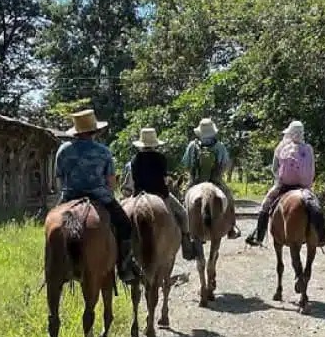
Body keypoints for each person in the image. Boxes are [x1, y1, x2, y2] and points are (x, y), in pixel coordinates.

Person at [54, 109, 138, 282]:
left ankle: (53, 265)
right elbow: (111, 182)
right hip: (100, 197)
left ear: (76, 131)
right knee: (125, 225)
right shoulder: (103, 151)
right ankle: (125, 266)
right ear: (95, 131)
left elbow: (59, 178)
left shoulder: (63, 150)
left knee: (52, 225)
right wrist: (108, 192)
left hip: (69, 196)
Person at [122, 127, 196, 260]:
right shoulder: (161, 158)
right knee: (183, 213)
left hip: (138, 194)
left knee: (121, 216)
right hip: (160, 193)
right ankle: (186, 243)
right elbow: (164, 178)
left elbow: (134, 179)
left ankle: (122, 251)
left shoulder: (134, 159)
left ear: (141, 144)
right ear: (155, 144)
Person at [246, 120, 316, 247]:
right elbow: (312, 169)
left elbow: (274, 169)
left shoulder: (282, 147)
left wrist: (279, 180)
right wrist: (307, 184)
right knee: (316, 207)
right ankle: (321, 236)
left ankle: (259, 236)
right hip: (304, 187)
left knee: (265, 206)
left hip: (284, 185)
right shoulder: (308, 149)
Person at [181, 117, 241, 240]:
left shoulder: (192, 145)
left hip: (195, 180)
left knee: (183, 197)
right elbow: (225, 164)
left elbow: (186, 164)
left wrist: (192, 175)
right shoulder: (219, 146)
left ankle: (183, 225)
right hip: (215, 180)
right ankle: (232, 227)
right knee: (229, 197)